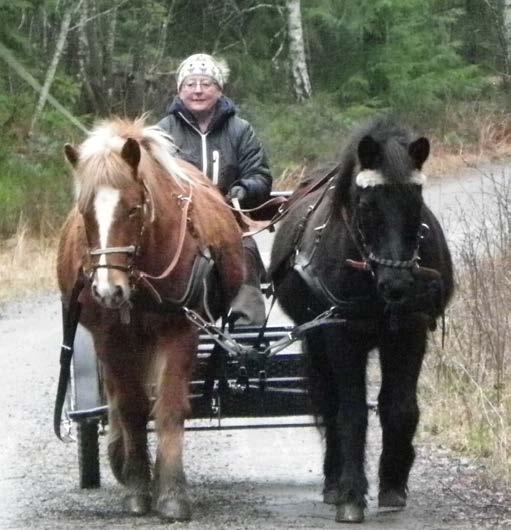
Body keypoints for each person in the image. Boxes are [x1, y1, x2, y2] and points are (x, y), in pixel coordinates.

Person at [157, 53, 272, 326]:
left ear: (219, 89)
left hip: (227, 222)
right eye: (190, 84)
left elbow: (260, 176)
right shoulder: (162, 132)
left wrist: (243, 189)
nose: (198, 90)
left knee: (245, 251)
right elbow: (151, 181)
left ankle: (247, 329)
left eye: (206, 83)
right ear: (179, 89)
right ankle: (167, 325)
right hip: (178, 227)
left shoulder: (240, 130)